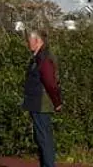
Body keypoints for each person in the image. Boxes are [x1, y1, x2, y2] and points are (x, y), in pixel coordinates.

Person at [22, 29, 62, 167]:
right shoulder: (38, 57)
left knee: (44, 138)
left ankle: (49, 165)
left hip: (42, 104)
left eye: (29, 41)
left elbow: (50, 82)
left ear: (38, 41)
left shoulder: (44, 58)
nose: (28, 43)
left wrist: (57, 102)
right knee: (40, 137)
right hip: (37, 103)